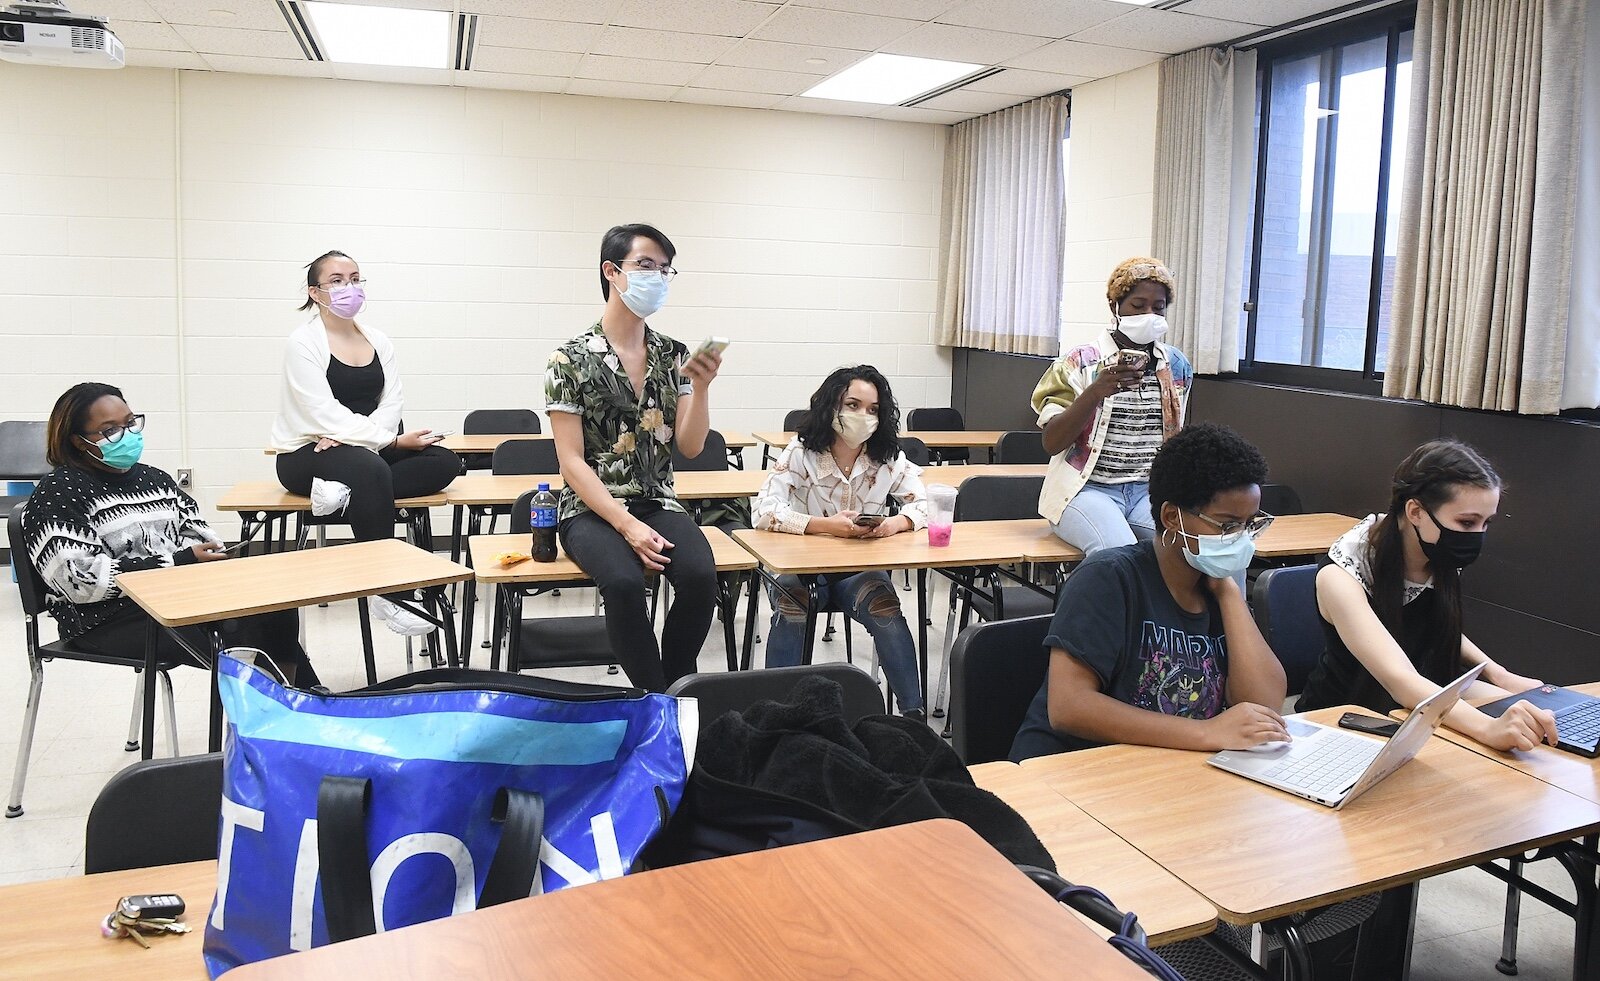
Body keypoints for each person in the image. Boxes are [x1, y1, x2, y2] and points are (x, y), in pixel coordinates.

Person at [1010, 423, 1287, 761]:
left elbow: (1265, 706)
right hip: (1075, 771)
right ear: (1172, 516)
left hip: (1166, 770)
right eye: (1228, 525)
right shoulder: (1109, 578)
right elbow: (1069, 707)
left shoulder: (1216, 588)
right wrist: (1205, 732)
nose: (1241, 539)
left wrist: (1228, 591)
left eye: (1249, 525)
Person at [22, 383, 319, 686]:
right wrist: (177, 562)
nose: (128, 435)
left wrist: (196, 557)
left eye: (130, 422)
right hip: (103, 619)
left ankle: (300, 707)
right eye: (110, 430)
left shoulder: (155, 480)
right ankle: (294, 713)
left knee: (274, 607)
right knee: (238, 631)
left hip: (175, 599)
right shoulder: (59, 492)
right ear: (79, 441)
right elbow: (79, 582)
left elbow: (198, 535)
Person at [544, 223, 721, 692]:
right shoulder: (569, 359)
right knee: (623, 585)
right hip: (591, 508)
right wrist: (626, 525)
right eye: (646, 266)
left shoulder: (673, 354)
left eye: (665, 270)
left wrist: (699, 388)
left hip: (658, 502)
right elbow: (571, 462)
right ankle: (654, 696)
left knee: (702, 576)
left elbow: (689, 446)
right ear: (612, 271)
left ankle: (676, 684)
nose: (657, 277)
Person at [1297, 440, 1559, 752]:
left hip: (1415, 710)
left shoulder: (1436, 548)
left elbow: (1433, 623)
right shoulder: (1340, 576)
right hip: (1343, 723)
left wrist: (1499, 675)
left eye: (1486, 523)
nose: (1477, 534)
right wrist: (1488, 728)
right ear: (1416, 512)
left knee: (1529, 715)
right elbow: (1400, 678)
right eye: (1467, 522)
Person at [270, 249, 461, 636]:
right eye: (337, 281)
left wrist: (379, 441)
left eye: (355, 279)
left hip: (361, 449)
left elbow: (392, 401)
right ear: (315, 292)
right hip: (306, 452)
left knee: (444, 462)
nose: (349, 288)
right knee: (370, 469)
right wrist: (384, 442)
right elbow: (320, 412)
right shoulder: (302, 342)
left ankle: (344, 493)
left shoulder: (378, 340)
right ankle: (387, 592)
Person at [752, 365, 929, 720]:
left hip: (857, 573)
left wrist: (894, 523)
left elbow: (925, 504)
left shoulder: (886, 458)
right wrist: (822, 526)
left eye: (873, 409)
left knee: (886, 609)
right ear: (832, 406)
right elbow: (763, 510)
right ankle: (774, 717)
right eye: (853, 404)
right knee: (793, 604)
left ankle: (914, 717)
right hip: (802, 573)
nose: (863, 416)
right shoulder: (801, 453)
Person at [1032, 257, 1194, 555]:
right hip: (1086, 491)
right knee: (1120, 554)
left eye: (1158, 308)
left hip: (1149, 492)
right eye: (1138, 305)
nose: (1149, 314)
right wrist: (1095, 392)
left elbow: (1177, 438)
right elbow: (1052, 442)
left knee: (1199, 549)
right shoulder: (1079, 362)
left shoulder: (1176, 365)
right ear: (1115, 306)